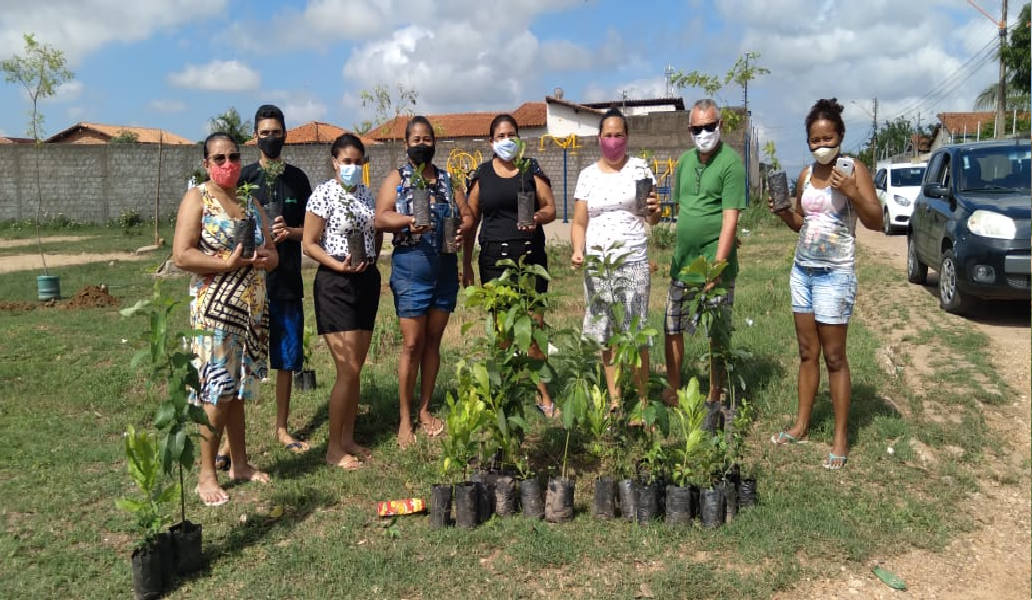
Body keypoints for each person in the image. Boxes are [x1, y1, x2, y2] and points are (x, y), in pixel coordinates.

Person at [767, 98, 882, 470]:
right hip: (803, 272)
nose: (821, 146)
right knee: (806, 352)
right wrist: (785, 211)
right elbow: (802, 223)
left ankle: (840, 437)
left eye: (827, 138)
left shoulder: (854, 171)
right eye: (815, 140)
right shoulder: (804, 175)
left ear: (840, 136)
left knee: (834, 358)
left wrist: (851, 190)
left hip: (836, 275)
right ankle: (801, 425)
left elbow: (876, 220)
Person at [172, 132, 278, 507]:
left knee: (239, 389)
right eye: (219, 158)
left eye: (233, 156)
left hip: (249, 311)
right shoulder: (197, 198)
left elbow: (273, 254)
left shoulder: (250, 200)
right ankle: (206, 474)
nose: (228, 164)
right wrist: (224, 264)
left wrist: (266, 257)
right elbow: (182, 255)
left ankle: (241, 463)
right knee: (215, 391)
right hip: (215, 310)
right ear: (206, 164)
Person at [217, 105, 313, 468]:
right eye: (264, 132)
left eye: (277, 131)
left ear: (286, 133)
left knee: (286, 357)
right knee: (239, 361)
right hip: (247, 286)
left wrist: (291, 233)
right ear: (254, 136)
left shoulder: (298, 179)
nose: (271, 138)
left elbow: (313, 231)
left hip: (287, 280)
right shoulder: (244, 179)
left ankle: (282, 427)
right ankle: (229, 442)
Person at [375, 116, 474, 448]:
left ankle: (425, 409)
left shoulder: (448, 179)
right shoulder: (397, 179)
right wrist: (407, 221)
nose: (422, 144)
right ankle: (404, 418)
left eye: (427, 139)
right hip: (411, 266)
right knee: (412, 345)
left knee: (434, 341)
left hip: (444, 267)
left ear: (434, 142)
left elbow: (468, 214)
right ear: (406, 145)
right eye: (415, 139)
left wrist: (462, 228)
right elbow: (381, 217)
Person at [462, 114, 559, 417]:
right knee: (502, 332)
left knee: (534, 328)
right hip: (494, 262)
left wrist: (536, 218)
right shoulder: (481, 177)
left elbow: (550, 208)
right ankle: (502, 393)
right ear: (491, 141)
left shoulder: (532, 170)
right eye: (501, 135)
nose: (507, 140)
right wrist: (465, 263)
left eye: (512, 134)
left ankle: (542, 396)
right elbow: (470, 222)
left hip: (530, 261)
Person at [571, 108, 661, 410]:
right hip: (599, 265)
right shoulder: (587, 176)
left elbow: (653, 218)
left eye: (618, 135)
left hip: (633, 260)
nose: (613, 141)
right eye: (607, 135)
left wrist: (656, 210)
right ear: (599, 138)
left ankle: (644, 402)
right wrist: (577, 249)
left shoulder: (640, 169)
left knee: (634, 331)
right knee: (607, 332)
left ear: (627, 137)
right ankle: (615, 399)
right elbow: (580, 222)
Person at [302, 134, 381, 470]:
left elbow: (374, 229)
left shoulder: (365, 193)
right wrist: (337, 264)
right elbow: (309, 243)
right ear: (334, 162)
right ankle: (333, 448)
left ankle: (348, 437)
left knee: (356, 370)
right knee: (346, 369)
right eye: (346, 161)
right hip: (336, 283)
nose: (352, 167)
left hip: (365, 280)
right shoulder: (323, 194)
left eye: (357, 161)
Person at [663, 98, 747, 413]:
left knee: (717, 330)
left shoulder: (731, 163)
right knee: (672, 326)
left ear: (720, 125)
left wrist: (717, 266)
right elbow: (684, 209)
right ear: (690, 130)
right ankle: (673, 387)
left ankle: (715, 391)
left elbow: (730, 219)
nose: (704, 133)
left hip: (715, 266)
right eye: (697, 128)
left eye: (709, 126)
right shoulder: (684, 162)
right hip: (683, 264)